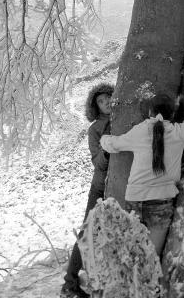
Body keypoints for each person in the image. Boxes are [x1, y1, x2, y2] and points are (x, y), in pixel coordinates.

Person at [100, 84, 184, 257]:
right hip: (162, 201)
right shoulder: (180, 132)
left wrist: (103, 138)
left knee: (131, 252)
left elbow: (113, 145)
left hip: (134, 199)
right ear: (172, 115)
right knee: (151, 255)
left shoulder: (139, 131)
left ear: (149, 113)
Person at [60, 83, 114, 298]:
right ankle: (70, 283)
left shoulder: (125, 117)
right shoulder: (95, 129)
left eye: (108, 98)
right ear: (96, 107)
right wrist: (106, 149)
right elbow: (97, 163)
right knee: (88, 232)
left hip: (127, 184)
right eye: (101, 101)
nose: (106, 103)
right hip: (100, 187)